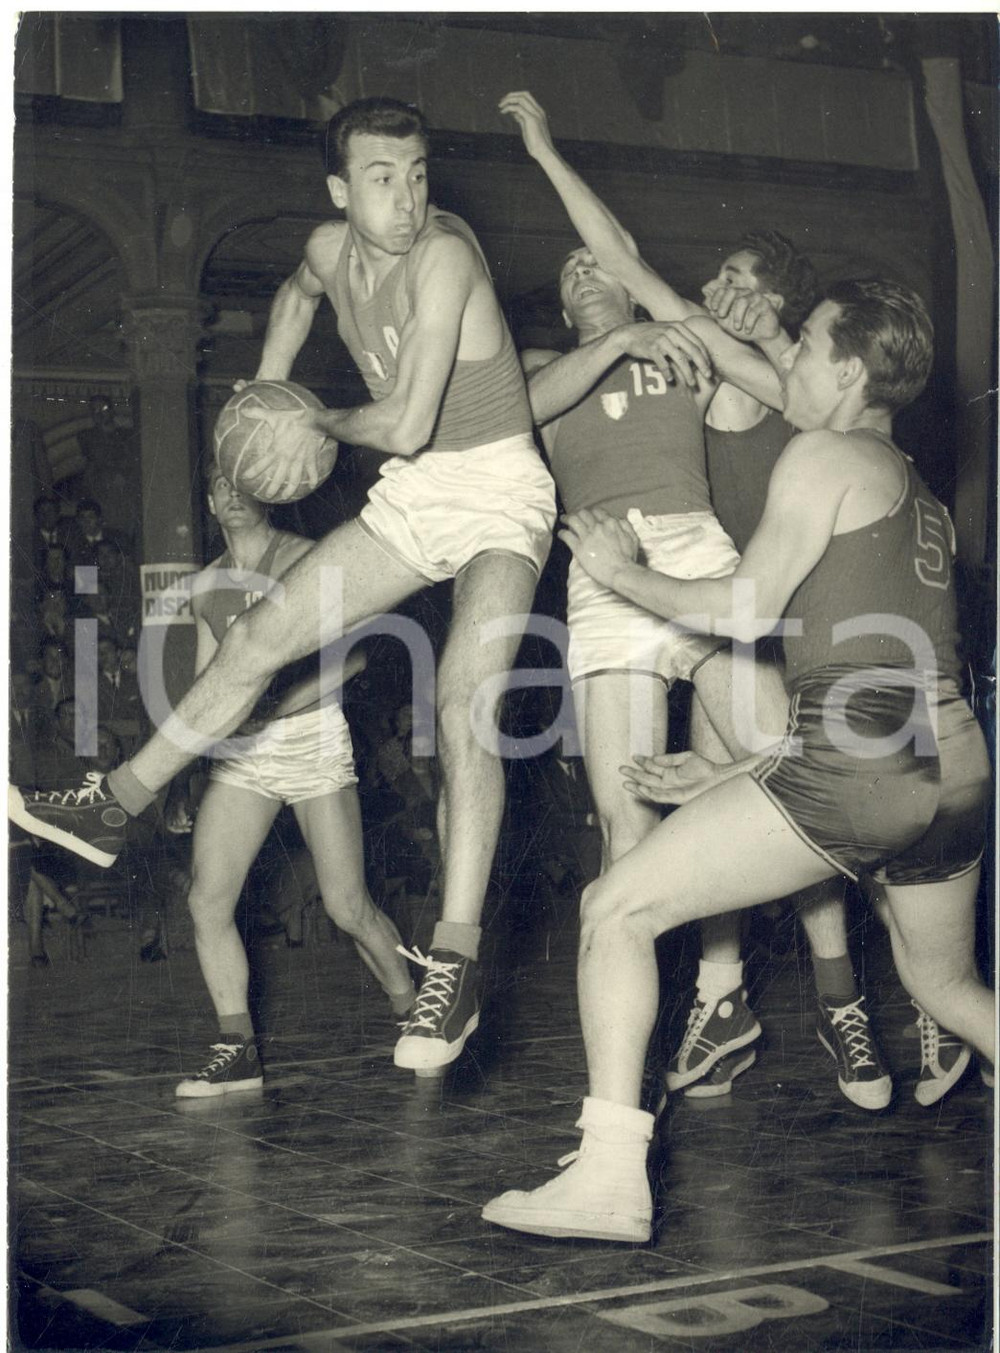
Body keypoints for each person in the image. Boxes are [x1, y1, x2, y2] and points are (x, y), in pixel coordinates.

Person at [10, 95, 557, 1075]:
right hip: (421, 495)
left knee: (467, 703)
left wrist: (310, 418)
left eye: (419, 172)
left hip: (503, 491)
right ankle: (112, 806)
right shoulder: (326, 249)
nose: (407, 197)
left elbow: (400, 426)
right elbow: (300, 296)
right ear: (341, 192)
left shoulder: (446, 258)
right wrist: (262, 387)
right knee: (258, 637)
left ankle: (456, 964)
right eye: (383, 179)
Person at [482, 278, 994, 1243]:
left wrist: (620, 572)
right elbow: (881, 669)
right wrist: (730, 776)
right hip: (956, 767)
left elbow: (753, 611)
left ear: (847, 371)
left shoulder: (822, 453)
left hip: (864, 765)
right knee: (947, 988)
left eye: (803, 345)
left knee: (615, 905)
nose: (785, 358)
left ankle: (605, 1176)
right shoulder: (922, 495)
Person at [501, 89, 890, 1107]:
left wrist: (545, 145)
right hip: (602, 578)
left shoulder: (684, 358)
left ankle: (830, 994)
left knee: (783, 773)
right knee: (624, 832)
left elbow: (624, 251)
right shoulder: (548, 367)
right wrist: (608, 347)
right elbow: (504, 409)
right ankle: (632, 1089)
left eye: (603, 276)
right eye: (569, 272)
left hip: (693, 563)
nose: (587, 273)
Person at [173, 469, 416, 1096]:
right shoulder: (206, 586)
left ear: (265, 491)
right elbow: (207, 686)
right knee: (207, 899)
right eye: (217, 487)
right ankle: (237, 1047)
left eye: (238, 482)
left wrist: (273, 709)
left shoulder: (308, 559)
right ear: (208, 504)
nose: (228, 495)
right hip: (242, 751)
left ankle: (411, 1009)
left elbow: (354, 657)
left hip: (310, 737)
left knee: (345, 905)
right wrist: (186, 771)